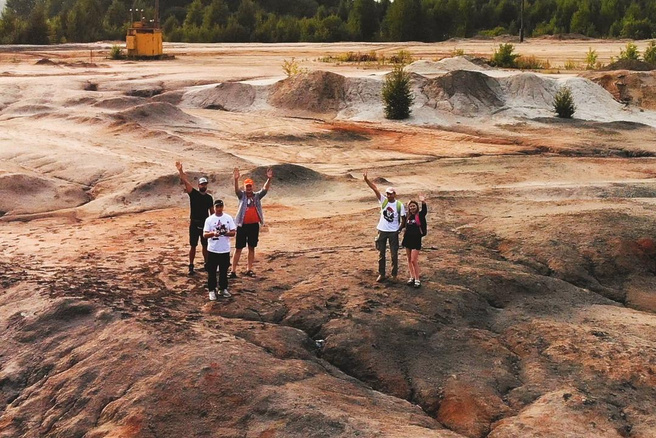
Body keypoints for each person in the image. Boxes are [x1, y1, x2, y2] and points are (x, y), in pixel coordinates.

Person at [363, 170, 406, 282]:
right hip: (382, 230)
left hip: (393, 232)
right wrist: (366, 180)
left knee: (394, 254)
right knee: (381, 254)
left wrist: (399, 229)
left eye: (391, 193)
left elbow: (403, 219)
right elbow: (375, 189)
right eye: (387, 193)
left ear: (395, 194)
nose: (389, 195)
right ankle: (381, 274)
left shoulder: (399, 205)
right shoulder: (384, 201)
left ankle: (394, 275)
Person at [230, 167, 273, 278]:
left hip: (253, 226)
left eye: (250, 186)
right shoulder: (242, 196)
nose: (249, 188)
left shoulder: (256, 196)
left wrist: (269, 179)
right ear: (245, 187)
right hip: (242, 225)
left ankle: (249, 269)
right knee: (238, 248)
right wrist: (236, 179)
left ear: (252, 187)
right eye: (247, 186)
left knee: (251, 247)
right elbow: (236, 191)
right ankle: (233, 271)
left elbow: (264, 190)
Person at [176, 161, 213, 275]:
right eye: (202, 184)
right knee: (193, 245)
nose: (203, 186)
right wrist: (180, 170)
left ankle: (207, 264)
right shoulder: (194, 194)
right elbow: (185, 181)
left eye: (205, 184)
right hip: (194, 223)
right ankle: (191, 265)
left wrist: (213, 224)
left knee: (205, 245)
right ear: (198, 185)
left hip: (205, 224)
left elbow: (212, 212)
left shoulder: (209, 198)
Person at [203, 199, 236, 301]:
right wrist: (213, 234)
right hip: (213, 249)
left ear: (223, 207)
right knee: (212, 271)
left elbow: (233, 232)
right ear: (214, 207)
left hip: (224, 249)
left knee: (223, 270)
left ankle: (223, 288)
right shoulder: (209, 219)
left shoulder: (228, 218)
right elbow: (205, 234)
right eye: (217, 207)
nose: (219, 209)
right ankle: (211, 290)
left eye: (220, 206)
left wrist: (225, 233)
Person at [402, 195, 428, 288]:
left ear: (417, 206)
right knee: (409, 259)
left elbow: (424, 211)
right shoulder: (408, 216)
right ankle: (412, 277)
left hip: (416, 240)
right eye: (410, 206)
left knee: (414, 260)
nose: (412, 208)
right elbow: (403, 224)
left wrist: (423, 202)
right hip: (407, 239)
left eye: (414, 206)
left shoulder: (420, 215)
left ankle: (417, 279)